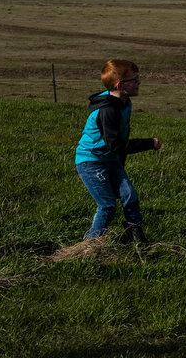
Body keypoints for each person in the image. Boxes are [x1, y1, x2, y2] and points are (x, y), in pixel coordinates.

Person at [74, 59, 161, 243]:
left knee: (129, 195)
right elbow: (117, 145)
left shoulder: (125, 103)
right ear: (121, 85)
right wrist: (149, 143)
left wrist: (118, 170)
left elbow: (117, 146)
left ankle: (135, 236)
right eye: (134, 79)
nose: (139, 82)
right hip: (91, 162)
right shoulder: (108, 110)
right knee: (107, 206)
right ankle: (90, 244)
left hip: (110, 160)